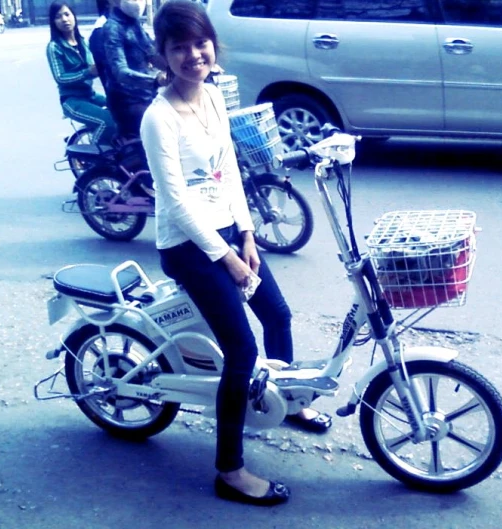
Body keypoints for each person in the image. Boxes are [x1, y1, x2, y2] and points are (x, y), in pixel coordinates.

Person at [141, 0, 331, 507]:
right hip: (187, 245)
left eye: (199, 43)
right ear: (162, 55)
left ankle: (285, 402)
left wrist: (248, 234)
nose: (192, 55)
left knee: (278, 314)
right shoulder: (158, 119)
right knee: (242, 351)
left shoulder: (214, 98)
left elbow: (229, 173)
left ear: (212, 44)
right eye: (178, 47)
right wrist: (226, 255)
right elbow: (176, 200)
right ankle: (229, 471)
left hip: (229, 232)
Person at [46, 1, 116, 146]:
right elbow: (60, 78)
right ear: (53, 22)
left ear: (74, 16)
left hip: (90, 95)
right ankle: (94, 155)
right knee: (108, 122)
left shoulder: (83, 41)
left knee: (120, 107)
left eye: (67, 14)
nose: (64, 19)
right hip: (72, 100)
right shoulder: (54, 47)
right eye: (58, 17)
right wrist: (87, 73)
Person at [102, 0, 164, 143]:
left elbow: (152, 54)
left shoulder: (135, 24)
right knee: (156, 135)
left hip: (145, 95)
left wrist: (182, 68)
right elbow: (120, 72)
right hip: (127, 100)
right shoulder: (112, 28)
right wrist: (155, 81)